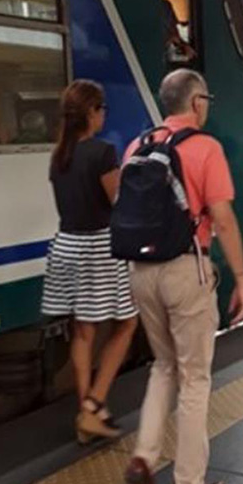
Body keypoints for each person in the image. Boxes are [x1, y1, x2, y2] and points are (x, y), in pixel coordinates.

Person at [123, 69, 243, 484]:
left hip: (141, 271)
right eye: (206, 99)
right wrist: (241, 278)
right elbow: (223, 218)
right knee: (195, 379)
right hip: (185, 270)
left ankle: (144, 453)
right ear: (196, 103)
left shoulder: (138, 146)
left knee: (163, 365)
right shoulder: (204, 147)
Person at [41, 80, 139, 443]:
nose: (103, 117)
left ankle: (86, 411)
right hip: (99, 246)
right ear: (91, 112)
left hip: (66, 245)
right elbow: (118, 200)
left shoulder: (59, 155)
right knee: (127, 324)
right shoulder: (102, 152)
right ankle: (95, 404)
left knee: (83, 331)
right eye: (102, 110)